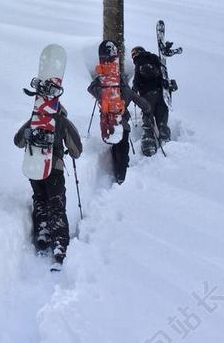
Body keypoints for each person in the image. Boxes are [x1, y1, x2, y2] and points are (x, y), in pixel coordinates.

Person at [14, 105, 82, 267]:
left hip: (34, 167)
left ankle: (42, 235)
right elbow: (77, 150)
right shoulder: (63, 121)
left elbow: (18, 141)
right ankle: (59, 244)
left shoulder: (36, 120)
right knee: (56, 203)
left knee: (39, 199)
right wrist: (69, 152)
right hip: (54, 168)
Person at [87, 54, 151, 184]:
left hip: (108, 124)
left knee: (116, 147)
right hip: (123, 125)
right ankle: (121, 177)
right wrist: (148, 110)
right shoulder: (126, 90)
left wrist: (101, 82)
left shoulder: (103, 88)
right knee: (123, 149)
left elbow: (90, 88)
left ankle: (118, 174)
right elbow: (142, 103)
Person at [131, 46, 171, 156]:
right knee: (162, 123)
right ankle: (167, 144)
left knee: (148, 123)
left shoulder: (139, 61)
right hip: (161, 95)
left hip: (147, 97)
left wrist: (134, 91)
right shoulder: (155, 59)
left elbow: (136, 81)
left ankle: (149, 146)